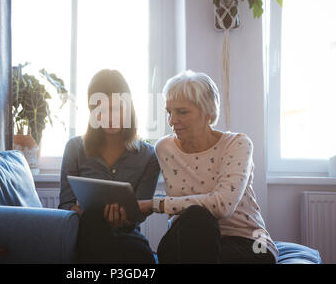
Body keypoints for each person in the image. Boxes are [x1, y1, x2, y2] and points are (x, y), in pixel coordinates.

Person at [138, 70, 278, 264]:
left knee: (198, 215)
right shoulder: (164, 148)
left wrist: (157, 204)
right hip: (187, 237)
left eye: (182, 112)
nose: (172, 120)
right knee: (193, 221)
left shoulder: (237, 144)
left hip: (247, 241)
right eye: (169, 112)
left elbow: (222, 205)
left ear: (208, 112)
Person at [58, 69, 160, 264]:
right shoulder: (75, 148)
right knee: (93, 221)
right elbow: (65, 204)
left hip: (127, 236)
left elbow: (140, 213)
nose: (109, 117)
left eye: (116, 108)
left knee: (142, 256)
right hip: (86, 235)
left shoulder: (148, 155)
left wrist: (126, 218)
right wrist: (79, 210)